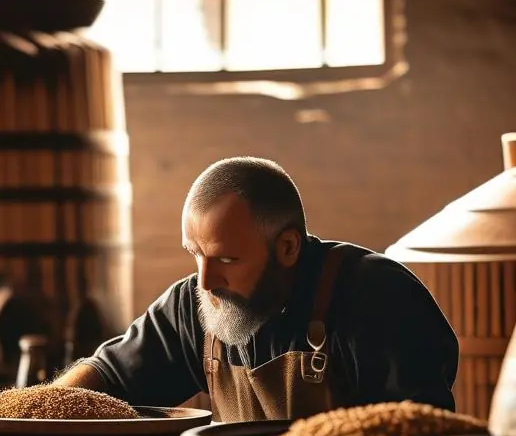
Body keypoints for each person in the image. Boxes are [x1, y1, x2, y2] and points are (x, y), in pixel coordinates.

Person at [53, 156, 459, 422]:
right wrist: (36, 414)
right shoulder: (195, 303)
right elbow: (108, 377)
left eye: (227, 260)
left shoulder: (377, 297)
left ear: (286, 247)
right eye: (195, 254)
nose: (207, 281)